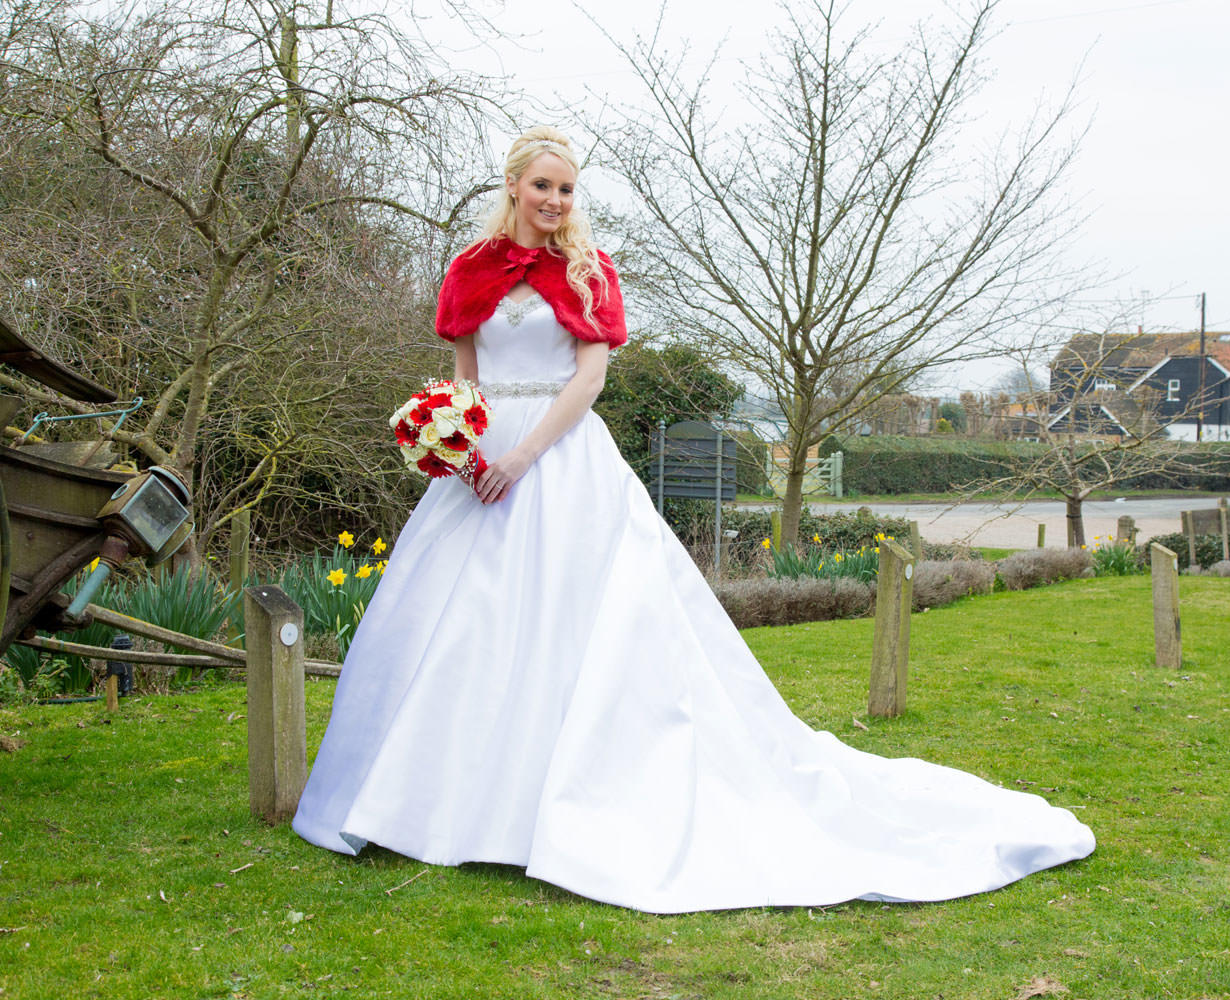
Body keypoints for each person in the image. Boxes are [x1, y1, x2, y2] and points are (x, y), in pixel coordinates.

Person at [291, 126, 1094, 913]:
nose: (554, 200)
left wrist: (523, 456)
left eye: (567, 189)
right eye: (542, 186)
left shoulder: (589, 269)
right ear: (512, 185)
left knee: (572, 627)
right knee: (465, 628)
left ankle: (561, 808)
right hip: (477, 474)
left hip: (558, 461)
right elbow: (463, 374)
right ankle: (438, 805)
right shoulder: (470, 269)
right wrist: (457, 443)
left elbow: (590, 378)